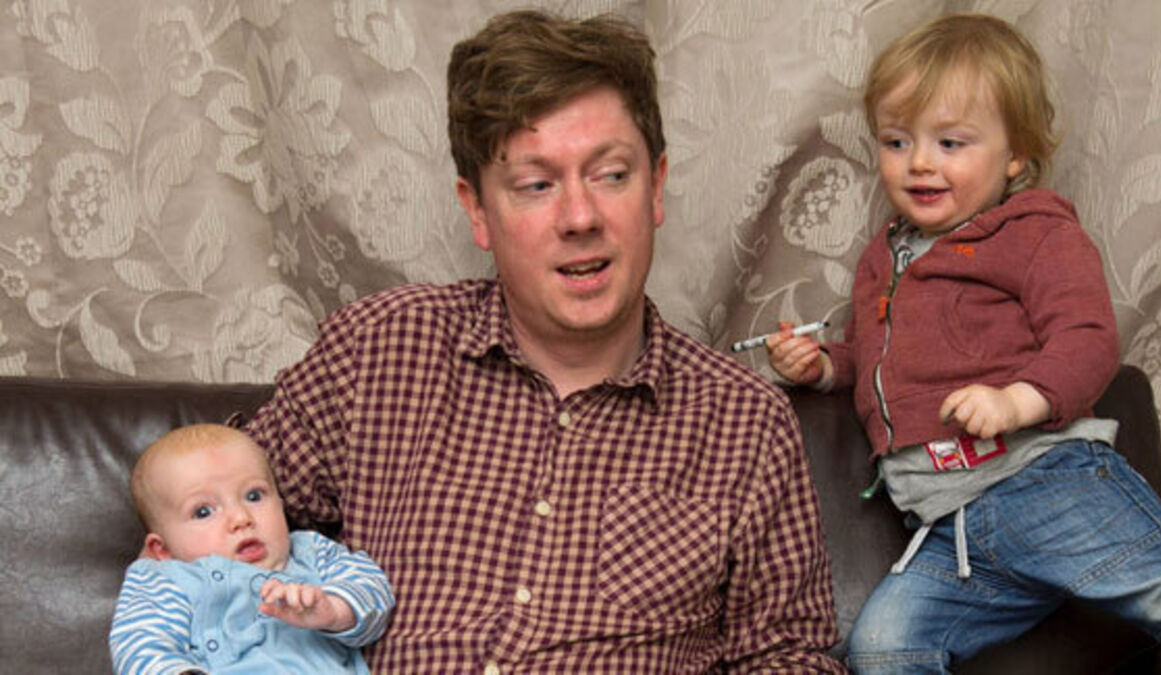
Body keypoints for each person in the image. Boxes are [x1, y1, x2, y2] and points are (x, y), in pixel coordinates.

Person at [245, 8, 844, 673]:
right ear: (477, 210)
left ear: (656, 187)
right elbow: (203, 528)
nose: (580, 217)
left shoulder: (745, 423)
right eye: (536, 185)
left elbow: (789, 657)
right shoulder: (375, 352)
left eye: (611, 175)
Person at [766, 12, 1161, 672]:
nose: (919, 162)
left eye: (950, 142)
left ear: (1016, 155)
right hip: (951, 531)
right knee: (882, 649)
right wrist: (822, 366)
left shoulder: (1036, 234)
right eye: (896, 141)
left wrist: (1015, 401)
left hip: (1045, 483)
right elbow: (877, 359)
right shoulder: (884, 256)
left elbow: (1088, 339)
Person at [108, 424, 395, 674]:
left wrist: (334, 609)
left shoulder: (312, 551)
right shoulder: (166, 578)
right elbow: (140, 642)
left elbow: (373, 590)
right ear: (162, 549)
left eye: (254, 495)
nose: (241, 518)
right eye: (204, 511)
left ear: (280, 503)